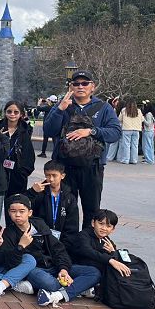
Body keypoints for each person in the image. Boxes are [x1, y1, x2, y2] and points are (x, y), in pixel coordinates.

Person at [43, 70, 121, 227]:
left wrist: (91, 131)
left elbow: (115, 132)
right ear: (71, 87)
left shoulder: (103, 108)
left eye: (85, 83)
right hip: (65, 167)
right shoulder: (62, 105)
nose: (80, 86)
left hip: (92, 167)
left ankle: (87, 239)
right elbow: (49, 130)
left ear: (93, 87)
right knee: (64, 208)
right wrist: (60, 110)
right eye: (76, 83)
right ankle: (66, 239)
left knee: (92, 210)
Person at [1, 194, 100, 307]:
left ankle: (59, 294)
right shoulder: (8, 233)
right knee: (50, 284)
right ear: (8, 213)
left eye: (22, 211)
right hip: (34, 270)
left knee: (93, 272)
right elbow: (11, 264)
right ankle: (78, 288)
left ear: (30, 212)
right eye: (13, 211)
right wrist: (21, 246)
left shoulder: (40, 226)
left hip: (53, 266)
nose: (17, 215)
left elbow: (58, 249)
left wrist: (63, 269)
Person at [27, 160, 79, 249]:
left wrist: (64, 247)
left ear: (62, 176)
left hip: (62, 243)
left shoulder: (69, 197)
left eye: (54, 175)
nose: (51, 179)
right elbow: (21, 206)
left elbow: (72, 226)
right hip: (40, 240)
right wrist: (32, 192)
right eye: (47, 175)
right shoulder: (38, 192)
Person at [70, 209, 133, 280]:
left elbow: (114, 259)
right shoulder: (83, 235)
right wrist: (109, 260)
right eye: (101, 224)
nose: (104, 228)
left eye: (108, 226)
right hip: (76, 267)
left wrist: (113, 251)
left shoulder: (106, 240)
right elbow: (88, 251)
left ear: (112, 229)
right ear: (93, 223)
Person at [0, 100, 36, 196]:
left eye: (16, 112)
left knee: (14, 203)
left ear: (21, 114)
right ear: (5, 112)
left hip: (17, 177)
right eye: (9, 111)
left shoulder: (24, 131)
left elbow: (29, 155)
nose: (12, 114)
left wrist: (23, 173)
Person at [117, 97, 142, 165]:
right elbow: (142, 119)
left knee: (126, 145)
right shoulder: (138, 111)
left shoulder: (124, 110)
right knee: (135, 145)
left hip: (126, 129)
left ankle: (126, 159)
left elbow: (119, 119)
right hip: (136, 129)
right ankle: (134, 160)